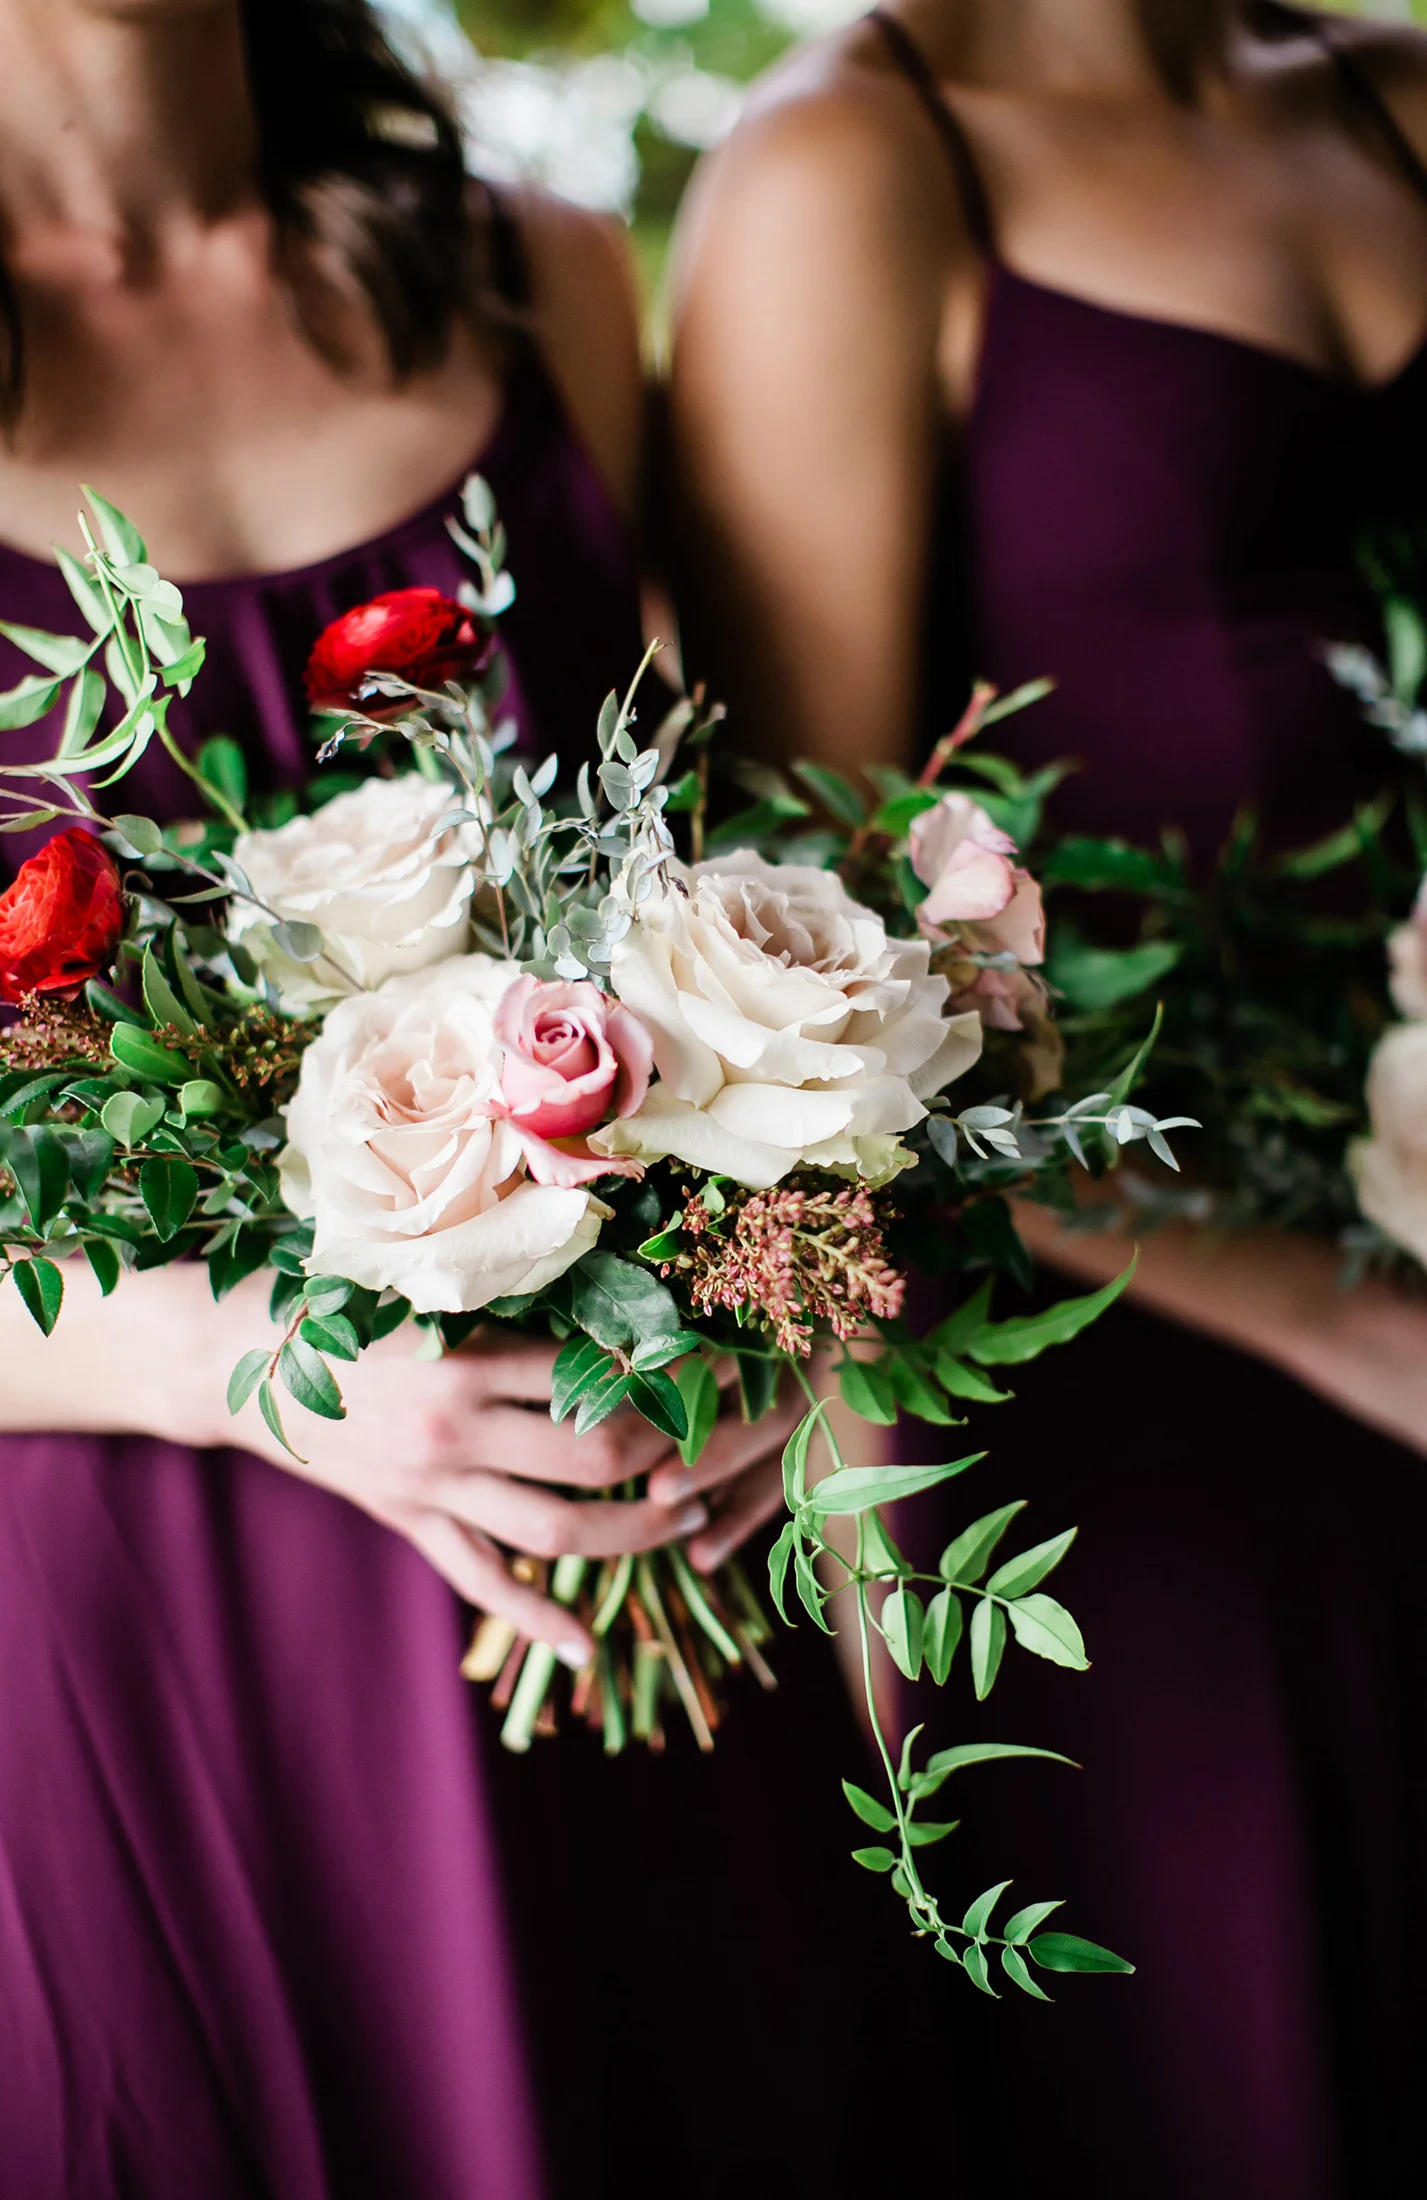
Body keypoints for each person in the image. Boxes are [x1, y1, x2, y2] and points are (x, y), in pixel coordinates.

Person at [0, 6, 949, 2195]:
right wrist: (247, 1367)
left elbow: (764, 876)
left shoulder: (544, 275)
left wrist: (770, 1257)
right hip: (146, 1675)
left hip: (640, 1607)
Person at [670, 2, 1427, 2193]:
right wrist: (1335, 1315)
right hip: (1137, 1390)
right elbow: (807, 1014)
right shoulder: (851, 168)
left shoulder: (1391, 91)